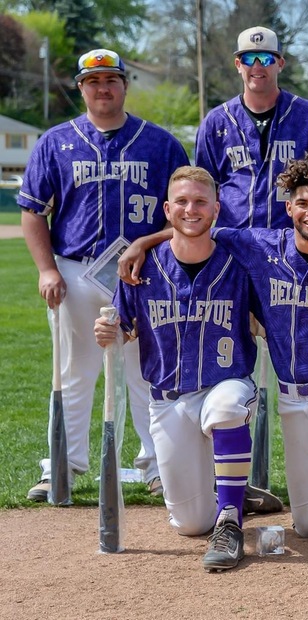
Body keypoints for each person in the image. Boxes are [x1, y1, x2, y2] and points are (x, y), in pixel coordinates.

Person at [119, 155, 308, 543]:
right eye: (302, 203)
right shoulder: (260, 245)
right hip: (296, 398)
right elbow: (198, 230)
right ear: (288, 207)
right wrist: (142, 242)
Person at [19, 48, 190, 501]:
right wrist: (45, 269)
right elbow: (33, 212)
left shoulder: (160, 143)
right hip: (75, 270)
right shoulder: (56, 142)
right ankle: (64, 464)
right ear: (81, 88)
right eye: (93, 82)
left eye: (111, 80)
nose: (103, 88)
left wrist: (146, 244)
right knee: (74, 372)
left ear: (124, 85)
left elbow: (185, 213)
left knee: (147, 374)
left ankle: (158, 466)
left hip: (143, 273)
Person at [94, 166, 272, 572]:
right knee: (190, 525)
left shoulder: (240, 264)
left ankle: (230, 517)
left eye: (200, 202)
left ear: (216, 209)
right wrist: (109, 331)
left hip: (226, 384)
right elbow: (124, 330)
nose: (191, 209)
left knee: (227, 408)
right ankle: (232, 491)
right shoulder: (140, 269)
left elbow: (270, 320)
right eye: (183, 202)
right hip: (168, 399)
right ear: (167, 209)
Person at [195, 26, 308, 229]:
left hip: (293, 243)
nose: (256, 66)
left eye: (265, 59)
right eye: (248, 59)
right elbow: (203, 190)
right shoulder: (216, 122)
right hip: (232, 244)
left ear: (280, 63)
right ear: (237, 64)